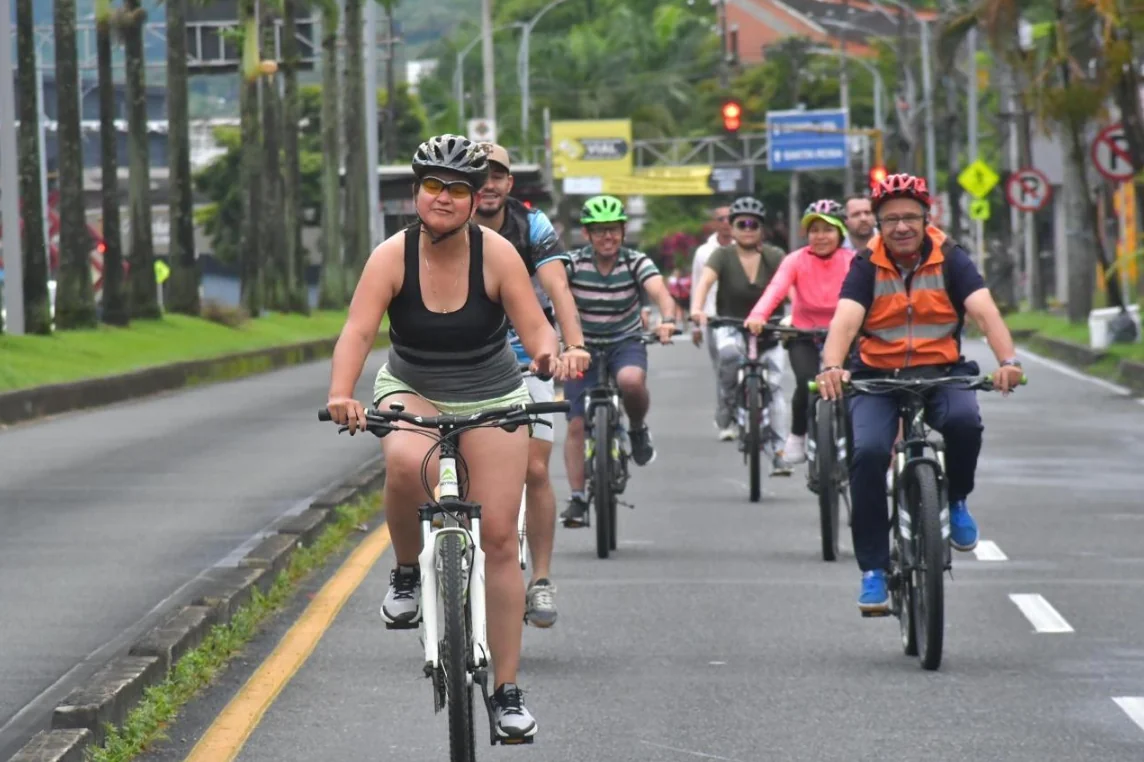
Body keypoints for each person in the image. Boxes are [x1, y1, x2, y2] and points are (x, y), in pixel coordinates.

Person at [324, 134, 562, 740]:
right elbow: (356, 331)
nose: (445, 198)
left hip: (493, 394)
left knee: (503, 540)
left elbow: (536, 329)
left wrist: (546, 358)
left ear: (475, 196)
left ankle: (506, 693)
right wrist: (341, 392)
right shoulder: (391, 256)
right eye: (434, 185)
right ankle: (407, 571)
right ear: (416, 192)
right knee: (405, 462)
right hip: (412, 388)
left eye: (459, 189)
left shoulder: (500, 253)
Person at [813, 173, 1026, 615]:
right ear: (877, 223)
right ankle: (873, 570)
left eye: (910, 217)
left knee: (964, 421)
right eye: (890, 219)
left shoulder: (952, 258)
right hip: (877, 376)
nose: (901, 227)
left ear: (927, 218)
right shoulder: (866, 264)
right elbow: (846, 321)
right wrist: (833, 366)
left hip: (941, 370)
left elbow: (984, 312)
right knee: (869, 454)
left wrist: (1007, 361)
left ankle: (956, 499)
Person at [471, 143, 590, 629]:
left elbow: (557, 288)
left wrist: (572, 346)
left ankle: (540, 579)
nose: (487, 186)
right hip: (466, 359)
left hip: (528, 357)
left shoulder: (532, 225)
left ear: (509, 184)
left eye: (497, 176)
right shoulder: (447, 221)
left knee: (534, 468)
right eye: (477, 178)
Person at [560, 195, 680, 527]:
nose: (607, 237)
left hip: (624, 342)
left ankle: (638, 429)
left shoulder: (636, 262)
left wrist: (667, 319)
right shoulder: (572, 263)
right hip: (581, 347)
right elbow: (552, 293)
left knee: (630, 380)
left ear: (623, 231)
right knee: (575, 422)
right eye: (599, 231)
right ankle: (578, 499)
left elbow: (660, 293)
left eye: (612, 230)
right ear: (587, 234)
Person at [745, 199, 855, 464]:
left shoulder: (853, 260)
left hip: (844, 333)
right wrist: (758, 315)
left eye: (827, 229)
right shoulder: (795, 260)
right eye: (814, 230)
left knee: (852, 389)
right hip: (803, 332)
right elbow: (776, 289)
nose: (820, 236)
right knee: (807, 382)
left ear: (840, 232)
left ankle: (854, 444)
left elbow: (870, 298)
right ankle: (797, 436)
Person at [687, 196, 790, 473]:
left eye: (753, 224)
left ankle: (780, 451)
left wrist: (796, 314)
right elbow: (705, 282)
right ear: (731, 229)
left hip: (771, 327)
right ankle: (729, 403)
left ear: (762, 229)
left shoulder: (775, 256)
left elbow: (790, 288)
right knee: (729, 356)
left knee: (776, 386)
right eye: (741, 224)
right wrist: (697, 310)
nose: (747, 229)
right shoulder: (721, 255)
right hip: (730, 324)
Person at [691, 206, 733, 432]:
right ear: (715, 223)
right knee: (724, 369)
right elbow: (698, 285)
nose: (726, 222)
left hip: (744, 317)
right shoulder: (704, 252)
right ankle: (726, 416)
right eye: (721, 219)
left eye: (730, 218)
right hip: (713, 317)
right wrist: (696, 324)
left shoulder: (746, 245)